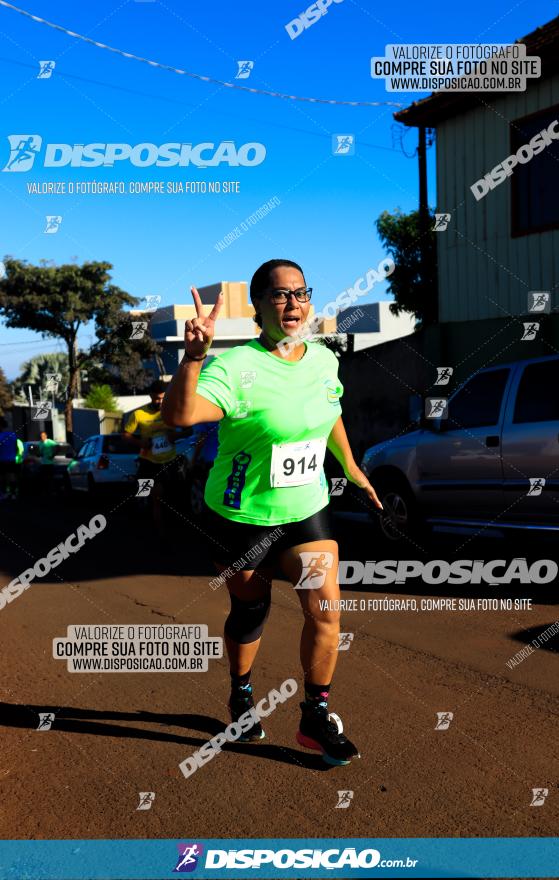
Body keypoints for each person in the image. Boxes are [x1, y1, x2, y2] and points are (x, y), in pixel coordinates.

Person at [162, 259, 382, 766]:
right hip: (239, 517)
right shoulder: (234, 367)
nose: (293, 304)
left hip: (305, 509)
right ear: (258, 306)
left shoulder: (324, 361)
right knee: (250, 610)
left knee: (326, 614)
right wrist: (193, 358)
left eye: (301, 293)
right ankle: (241, 694)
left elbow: (330, 413)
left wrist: (350, 466)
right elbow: (179, 417)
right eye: (280, 295)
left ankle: (315, 715)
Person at [123, 380, 188, 532]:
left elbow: (190, 430)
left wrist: (176, 435)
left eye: (162, 398)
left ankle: (163, 531)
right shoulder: (138, 414)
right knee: (143, 496)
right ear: (150, 396)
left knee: (163, 497)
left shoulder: (173, 411)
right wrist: (141, 442)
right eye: (156, 398)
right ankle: (144, 524)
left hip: (169, 462)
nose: (159, 402)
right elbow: (125, 436)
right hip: (147, 463)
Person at [0, 417, 18, 501]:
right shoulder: (13, 434)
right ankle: (13, 493)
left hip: (2, 459)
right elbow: (16, 447)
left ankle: (4, 493)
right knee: (12, 476)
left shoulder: (0, 436)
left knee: (3, 477)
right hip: (11, 458)